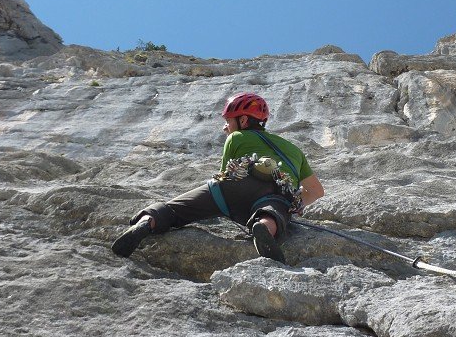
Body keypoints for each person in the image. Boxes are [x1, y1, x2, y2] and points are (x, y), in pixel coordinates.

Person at [111, 92, 325, 262]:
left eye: (228, 121)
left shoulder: (236, 137)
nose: (225, 127)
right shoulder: (295, 150)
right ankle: (264, 226)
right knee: (273, 211)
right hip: (275, 191)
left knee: (174, 210)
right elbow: (317, 191)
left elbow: (225, 174)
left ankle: (147, 222)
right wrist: (293, 206)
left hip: (232, 188)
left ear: (243, 120)